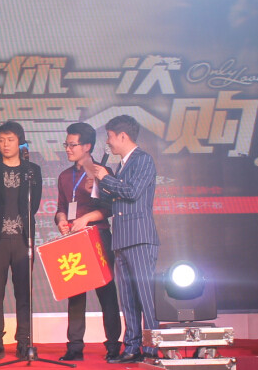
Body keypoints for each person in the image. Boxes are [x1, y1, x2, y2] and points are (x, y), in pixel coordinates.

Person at [92, 115, 160, 364]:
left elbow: (132, 192)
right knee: (128, 299)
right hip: (121, 239)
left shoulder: (142, 159)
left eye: (110, 137)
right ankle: (131, 347)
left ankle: (151, 347)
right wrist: (99, 187)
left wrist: (105, 178)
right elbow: (117, 199)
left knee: (145, 297)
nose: (108, 142)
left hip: (139, 238)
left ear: (123, 136)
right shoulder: (123, 165)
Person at [54, 122, 121, 362]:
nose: (68, 149)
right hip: (74, 238)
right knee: (75, 293)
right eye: (67, 144)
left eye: (72, 145)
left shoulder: (101, 171)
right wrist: (62, 220)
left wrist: (86, 219)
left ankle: (113, 345)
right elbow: (61, 207)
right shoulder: (64, 175)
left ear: (87, 146)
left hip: (97, 236)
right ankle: (74, 347)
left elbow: (110, 208)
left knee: (106, 292)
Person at [0, 121, 42, 361]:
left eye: (11, 140)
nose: (5, 144)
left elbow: (33, 205)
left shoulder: (32, 170)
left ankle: (24, 342)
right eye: (1, 140)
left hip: (22, 240)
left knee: (23, 294)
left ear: (20, 142)